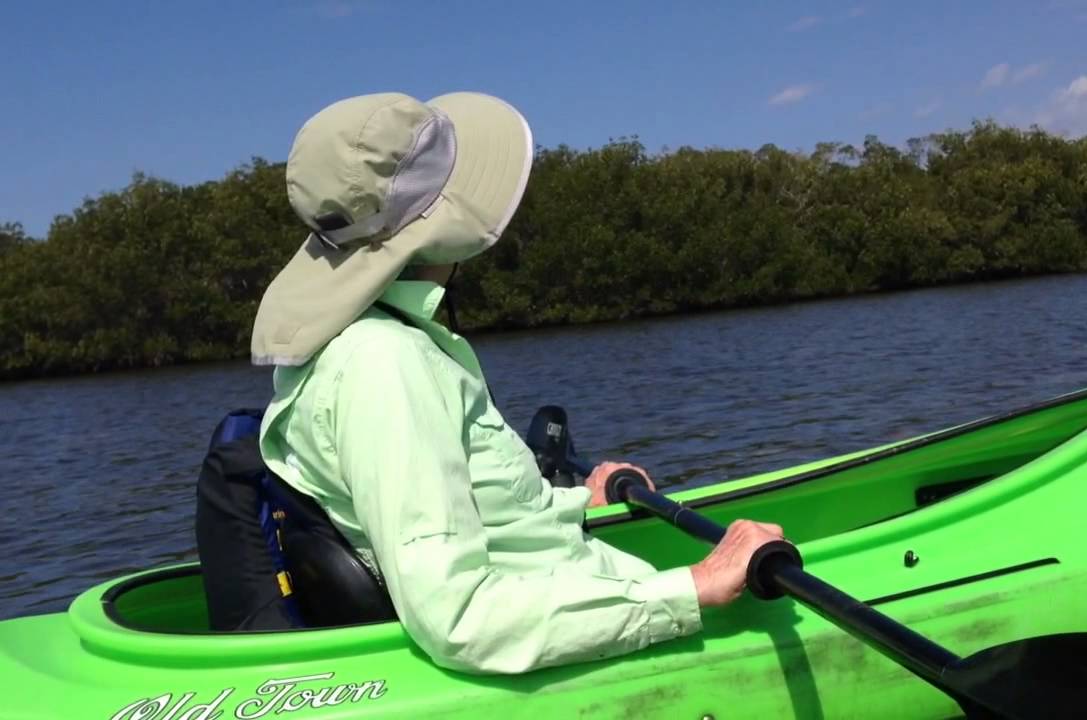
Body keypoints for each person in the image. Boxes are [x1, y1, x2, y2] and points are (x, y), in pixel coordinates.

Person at [249, 91, 788, 675]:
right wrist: (697, 585)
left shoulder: (368, 343)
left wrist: (571, 505)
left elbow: (476, 515)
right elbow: (459, 618)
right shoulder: (383, 364)